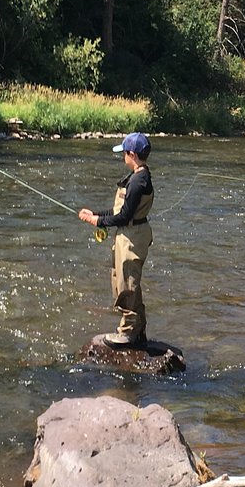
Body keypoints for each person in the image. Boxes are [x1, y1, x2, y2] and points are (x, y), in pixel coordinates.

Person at [78, 132, 154, 348]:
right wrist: (95, 214)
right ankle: (138, 330)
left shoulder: (139, 181)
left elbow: (123, 216)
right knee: (125, 281)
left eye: (125, 154)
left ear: (132, 154)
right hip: (130, 233)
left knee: (126, 284)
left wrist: (98, 221)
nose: (123, 158)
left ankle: (128, 332)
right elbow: (120, 210)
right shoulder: (138, 176)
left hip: (132, 237)